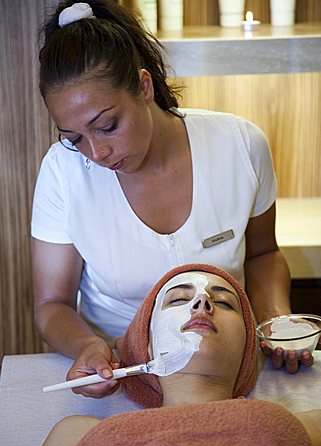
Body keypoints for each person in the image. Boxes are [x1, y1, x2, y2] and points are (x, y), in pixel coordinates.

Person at [32, 0, 311, 401]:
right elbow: (51, 302)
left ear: (144, 87)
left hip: (222, 372)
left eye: (107, 126)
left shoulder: (240, 145)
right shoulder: (63, 171)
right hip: (120, 374)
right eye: (74, 138)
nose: (96, 153)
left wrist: (274, 323)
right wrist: (87, 347)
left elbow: (263, 255)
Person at [22, 264, 321, 446]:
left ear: (247, 348)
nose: (202, 302)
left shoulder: (292, 426)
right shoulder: (75, 434)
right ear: (147, 347)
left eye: (225, 303)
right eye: (179, 299)